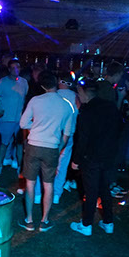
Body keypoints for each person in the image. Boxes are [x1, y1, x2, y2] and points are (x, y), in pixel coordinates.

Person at [17, 71, 73, 232]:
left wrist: (36, 126)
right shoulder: (66, 105)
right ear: (56, 83)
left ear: (42, 85)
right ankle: (44, 221)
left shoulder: (35, 100)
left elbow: (23, 124)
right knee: (48, 185)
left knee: (30, 183)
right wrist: (59, 147)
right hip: (51, 148)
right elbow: (67, 133)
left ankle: (29, 220)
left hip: (34, 145)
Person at [69, 79, 122, 236]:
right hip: (108, 156)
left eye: (79, 93)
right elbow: (119, 130)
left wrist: (76, 160)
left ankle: (86, 225)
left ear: (84, 93)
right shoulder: (111, 107)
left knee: (91, 191)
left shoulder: (87, 111)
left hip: (91, 157)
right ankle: (108, 222)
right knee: (104, 188)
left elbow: (83, 139)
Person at [0, 58, 28, 174]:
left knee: (19, 143)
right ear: (9, 69)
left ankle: (19, 167)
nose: (15, 70)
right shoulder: (2, 82)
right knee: (4, 143)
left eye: (17, 67)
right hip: (6, 118)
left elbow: (24, 99)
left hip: (20, 119)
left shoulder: (24, 82)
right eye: (13, 68)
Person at [52, 72, 79, 202]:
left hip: (53, 133)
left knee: (49, 163)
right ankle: (56, 194)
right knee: (62, 165)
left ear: (60, 81)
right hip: (69, 134)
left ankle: (42, 192)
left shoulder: (54, 95)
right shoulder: (76, 97)